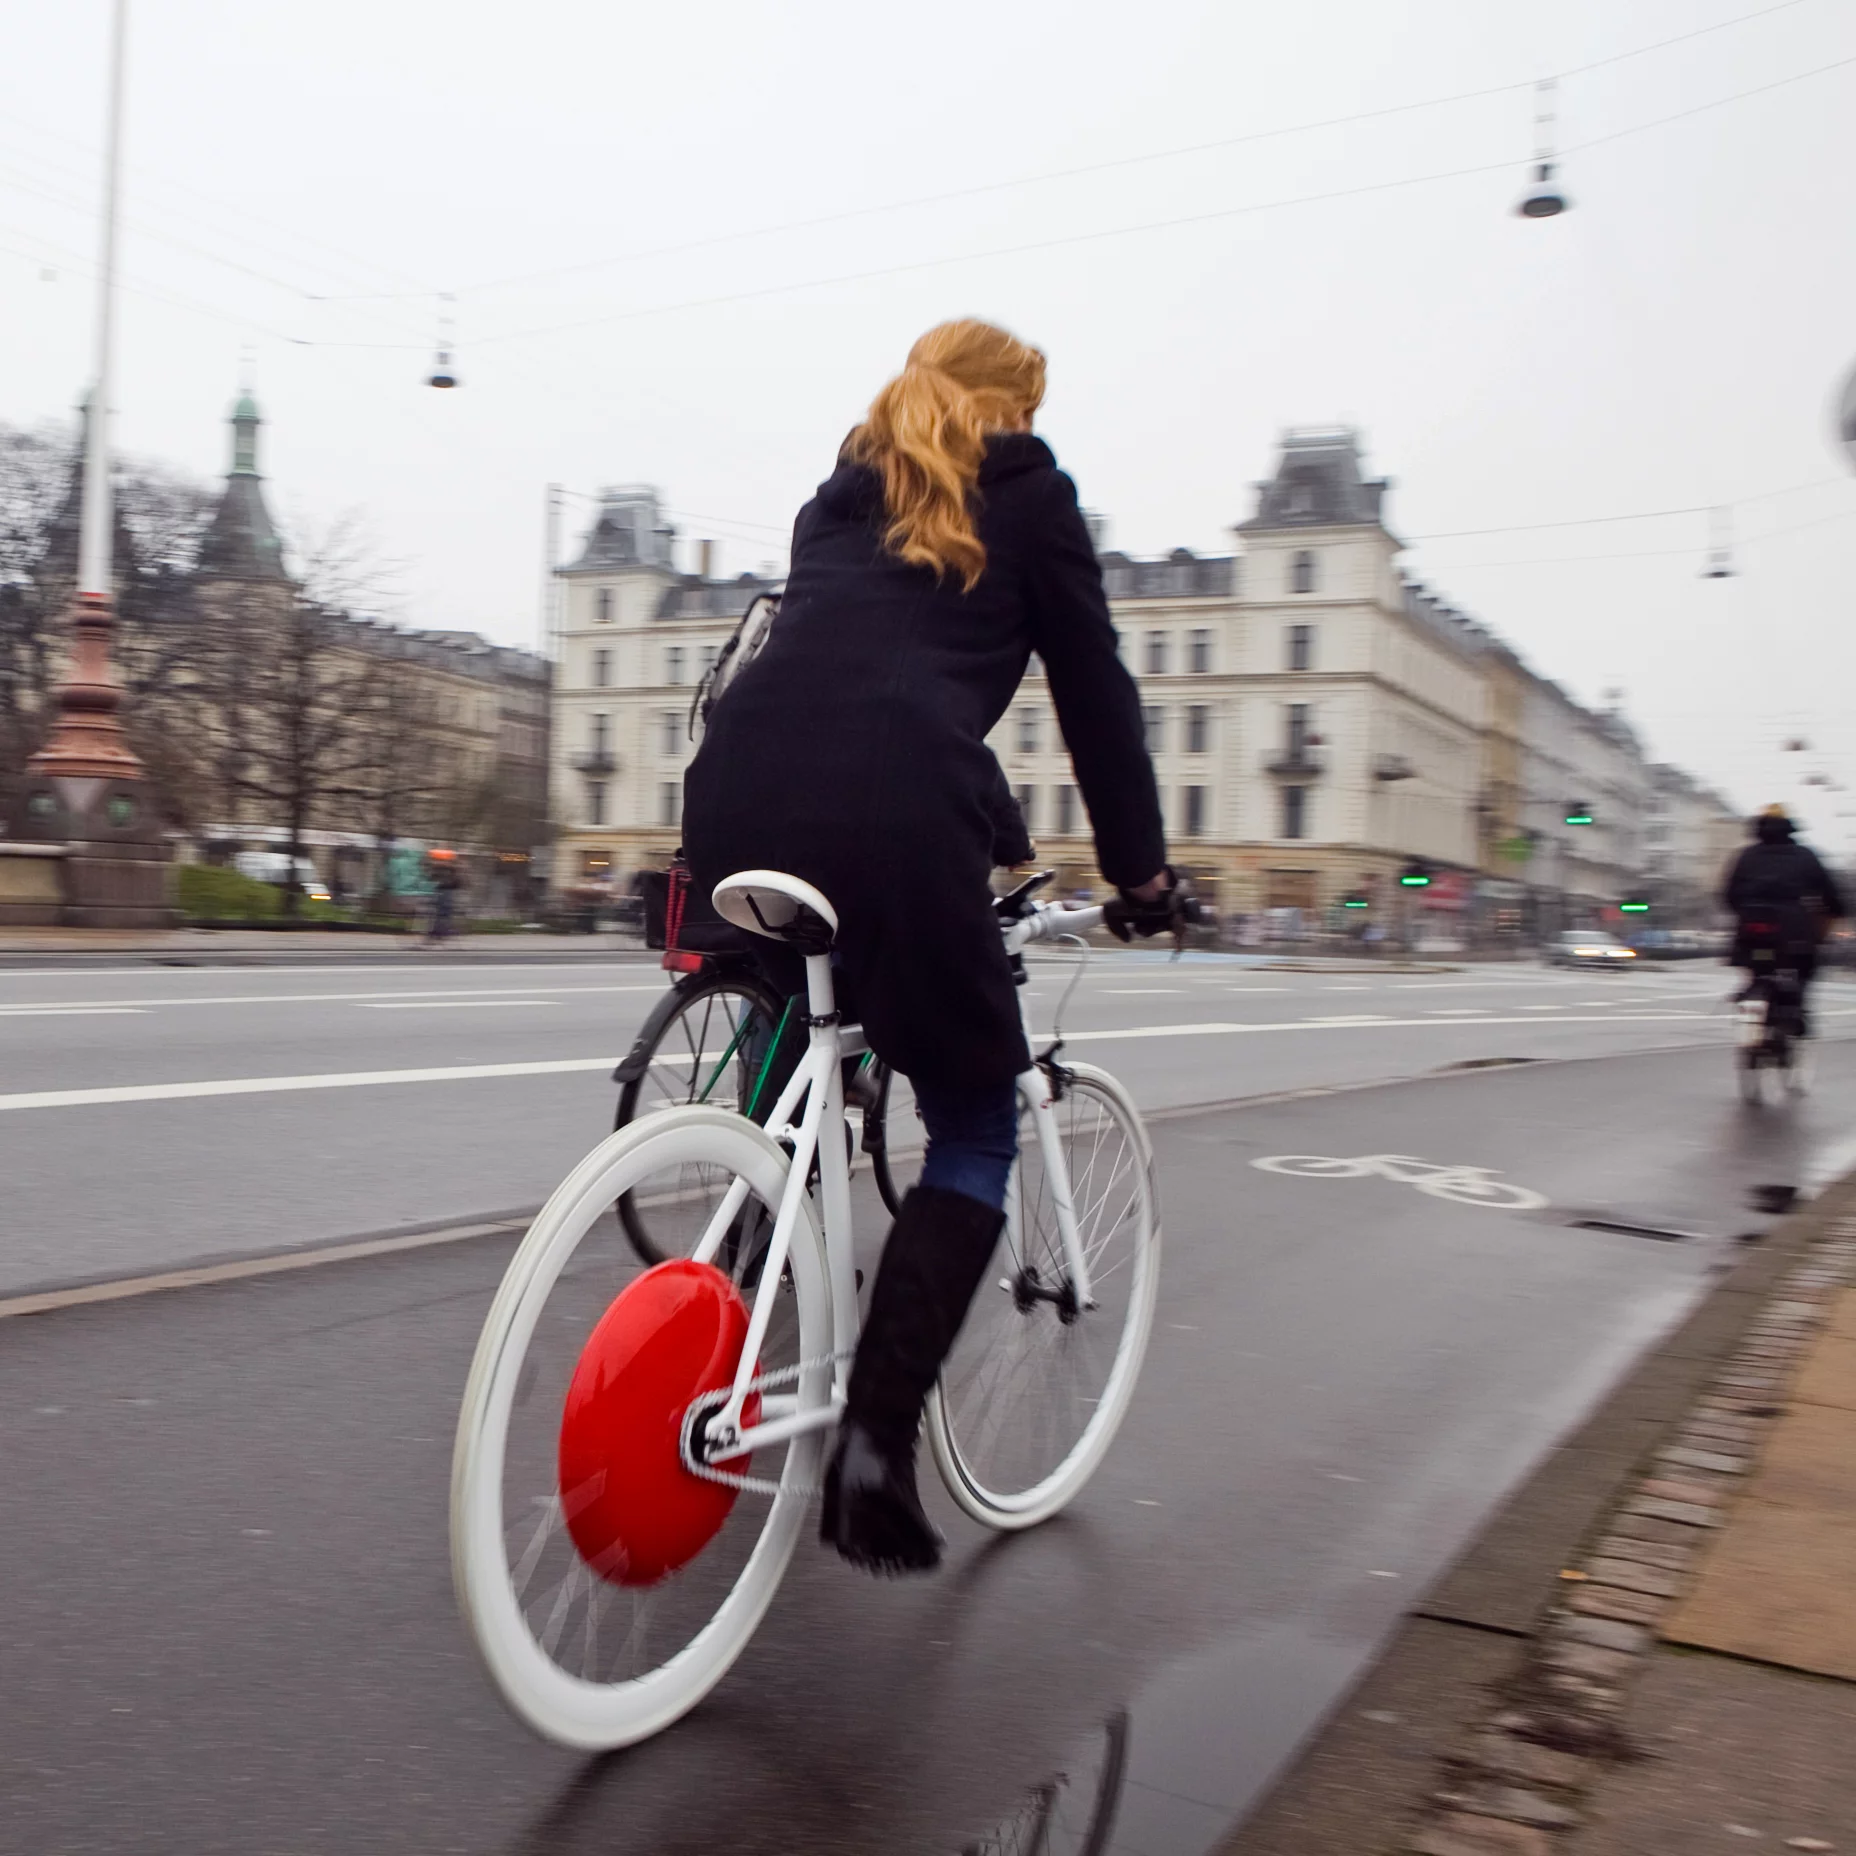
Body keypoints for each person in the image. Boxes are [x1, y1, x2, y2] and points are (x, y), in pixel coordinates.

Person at [684, 319, 1179, 1575]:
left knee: (822, 1020)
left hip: (734, 789)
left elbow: (849, 673)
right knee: (971, 1121)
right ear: (1011, 406)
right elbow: (1092, 692)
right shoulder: (1029, 494)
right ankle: (869, 1450)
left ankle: (756, 1224)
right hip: (897, 810)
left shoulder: (837, 497)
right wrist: (1140, 872)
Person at [1721, 807, 1845, 1034]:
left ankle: (1753, 986)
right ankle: (1797, 1010)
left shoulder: (1747, 855)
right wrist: (1834, 914)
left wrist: (1744, 912)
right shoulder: (1804, 855)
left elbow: (1729, 894)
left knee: (1756, 961)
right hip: (1792, 928)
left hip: (1751, 926)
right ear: (1789, 828)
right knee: (1806, 964)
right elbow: (1829, 895)